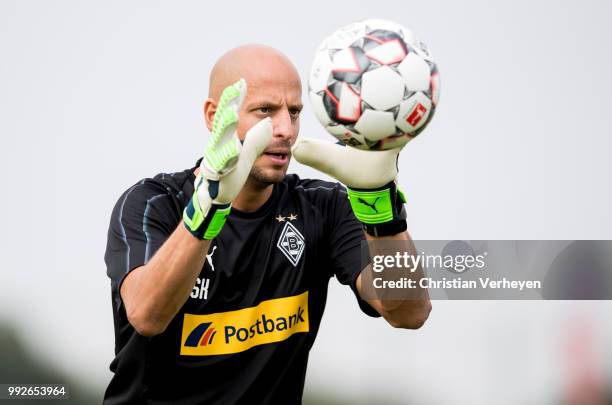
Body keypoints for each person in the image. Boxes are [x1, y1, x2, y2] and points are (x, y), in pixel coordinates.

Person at [104, 44, 431, 404]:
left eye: (294, 112)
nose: (285, 129)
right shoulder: (153, 202)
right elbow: (147, 316)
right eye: (265, 111)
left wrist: (381, 213)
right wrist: (207, 210)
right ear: (214, 115)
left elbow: (409, 312)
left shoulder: (323, 207)